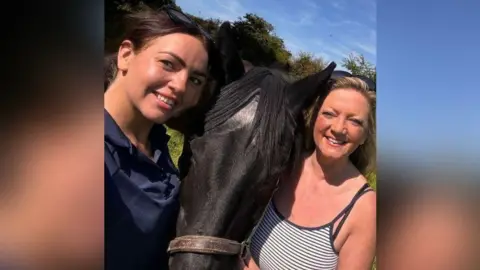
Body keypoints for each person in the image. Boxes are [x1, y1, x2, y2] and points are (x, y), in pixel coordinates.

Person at [104, 6, 221, 270]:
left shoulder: (159, 146)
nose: (180, 85)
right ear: (125, 55)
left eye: (195, 80)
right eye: (168, 63)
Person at [242, 74, 377, 270]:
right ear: (314, 117)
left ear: (365, 135)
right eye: (329, 114)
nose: (339, 128)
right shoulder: (284, 164)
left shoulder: (364, 208)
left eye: (355, 121)